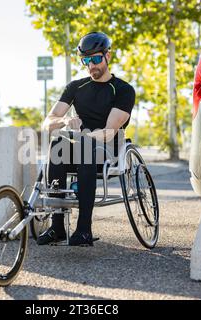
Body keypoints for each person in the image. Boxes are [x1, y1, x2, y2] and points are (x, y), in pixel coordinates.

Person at [38, 32, 136, 246]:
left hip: (108, 150)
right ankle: (57, 227)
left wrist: (84, 138)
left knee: (86, 147)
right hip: (80, 146)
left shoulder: (123, 90)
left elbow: (110, 130)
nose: (92, 65)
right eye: (86, 60)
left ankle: (83, 230)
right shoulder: (75, 87)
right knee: (58, 145)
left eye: (96, 58)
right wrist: (65, 121)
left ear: (107, 56)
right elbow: (47, 122)